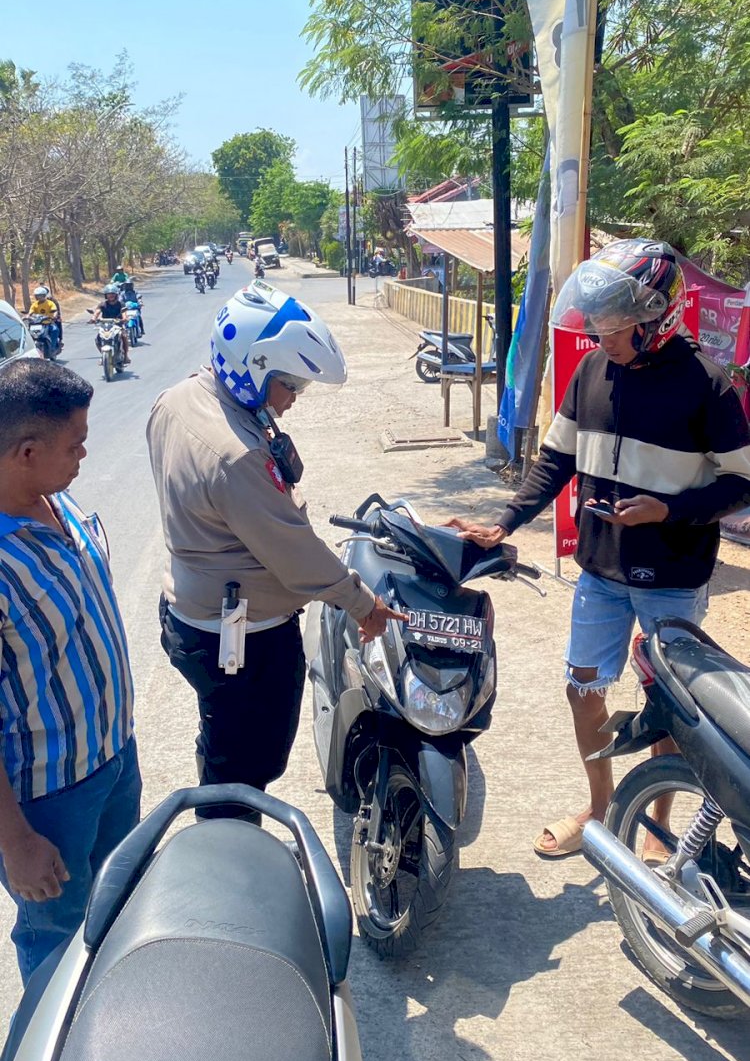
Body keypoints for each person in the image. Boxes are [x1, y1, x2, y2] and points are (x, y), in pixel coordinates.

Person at [450, 240, 750, 859]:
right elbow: (555, 460)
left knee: (669, 703)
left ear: (659, 317)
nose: (601, 334)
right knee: (581, 687)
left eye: (616, 323)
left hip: (673, 572)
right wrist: (504, 521)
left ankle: (657, 823)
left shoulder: (706, 384)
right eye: (597, 320)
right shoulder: (590, 371)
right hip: (601, 571)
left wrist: (670, 510)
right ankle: (600, 806)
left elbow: (741, 481)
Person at [147, 284, 405, 819]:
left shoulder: (176, 400)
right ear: (251, 367)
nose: (294, 398)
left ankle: (223, 825)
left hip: (190, 615)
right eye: (289, 384)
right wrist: (363, 604)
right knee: (246, 767)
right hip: (241, 641)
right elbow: (294, 552)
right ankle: (229, 863)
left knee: (221, 741)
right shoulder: (235, 454)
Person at [0, 360, 139, 983]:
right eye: (74, 444)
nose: (85, 453)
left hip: (113, 758)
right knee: (54, 939)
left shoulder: (56, 498)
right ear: (26, 452)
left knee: (115, 910)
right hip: (49, 799)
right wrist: (17, 841)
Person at [92, 284, 130, 363]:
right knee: (97, 339)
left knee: (124, 336)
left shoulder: (121, 304)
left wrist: (124, 319)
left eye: (113, 294)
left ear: (116, 295)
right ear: (106, 295)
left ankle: (126, 356)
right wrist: (93, 319)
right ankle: (103, 355)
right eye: (109, 294)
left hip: (118, 325)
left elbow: (124, 313)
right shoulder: (102, 304)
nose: (111, 296)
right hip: (105, 326)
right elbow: (97, 312)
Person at [28, 285, 62, 351]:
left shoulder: (50, 303)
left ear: (44, 295)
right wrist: (27, 316)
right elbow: (30, 312)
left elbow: (55, 310)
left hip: (48, 323)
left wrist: (54, 316)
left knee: (55, 330)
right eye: (37, 296)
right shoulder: (34, 304)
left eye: (40, 296)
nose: (38, 297)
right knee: (29, 332)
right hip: (38, 324)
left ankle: (53, 347)